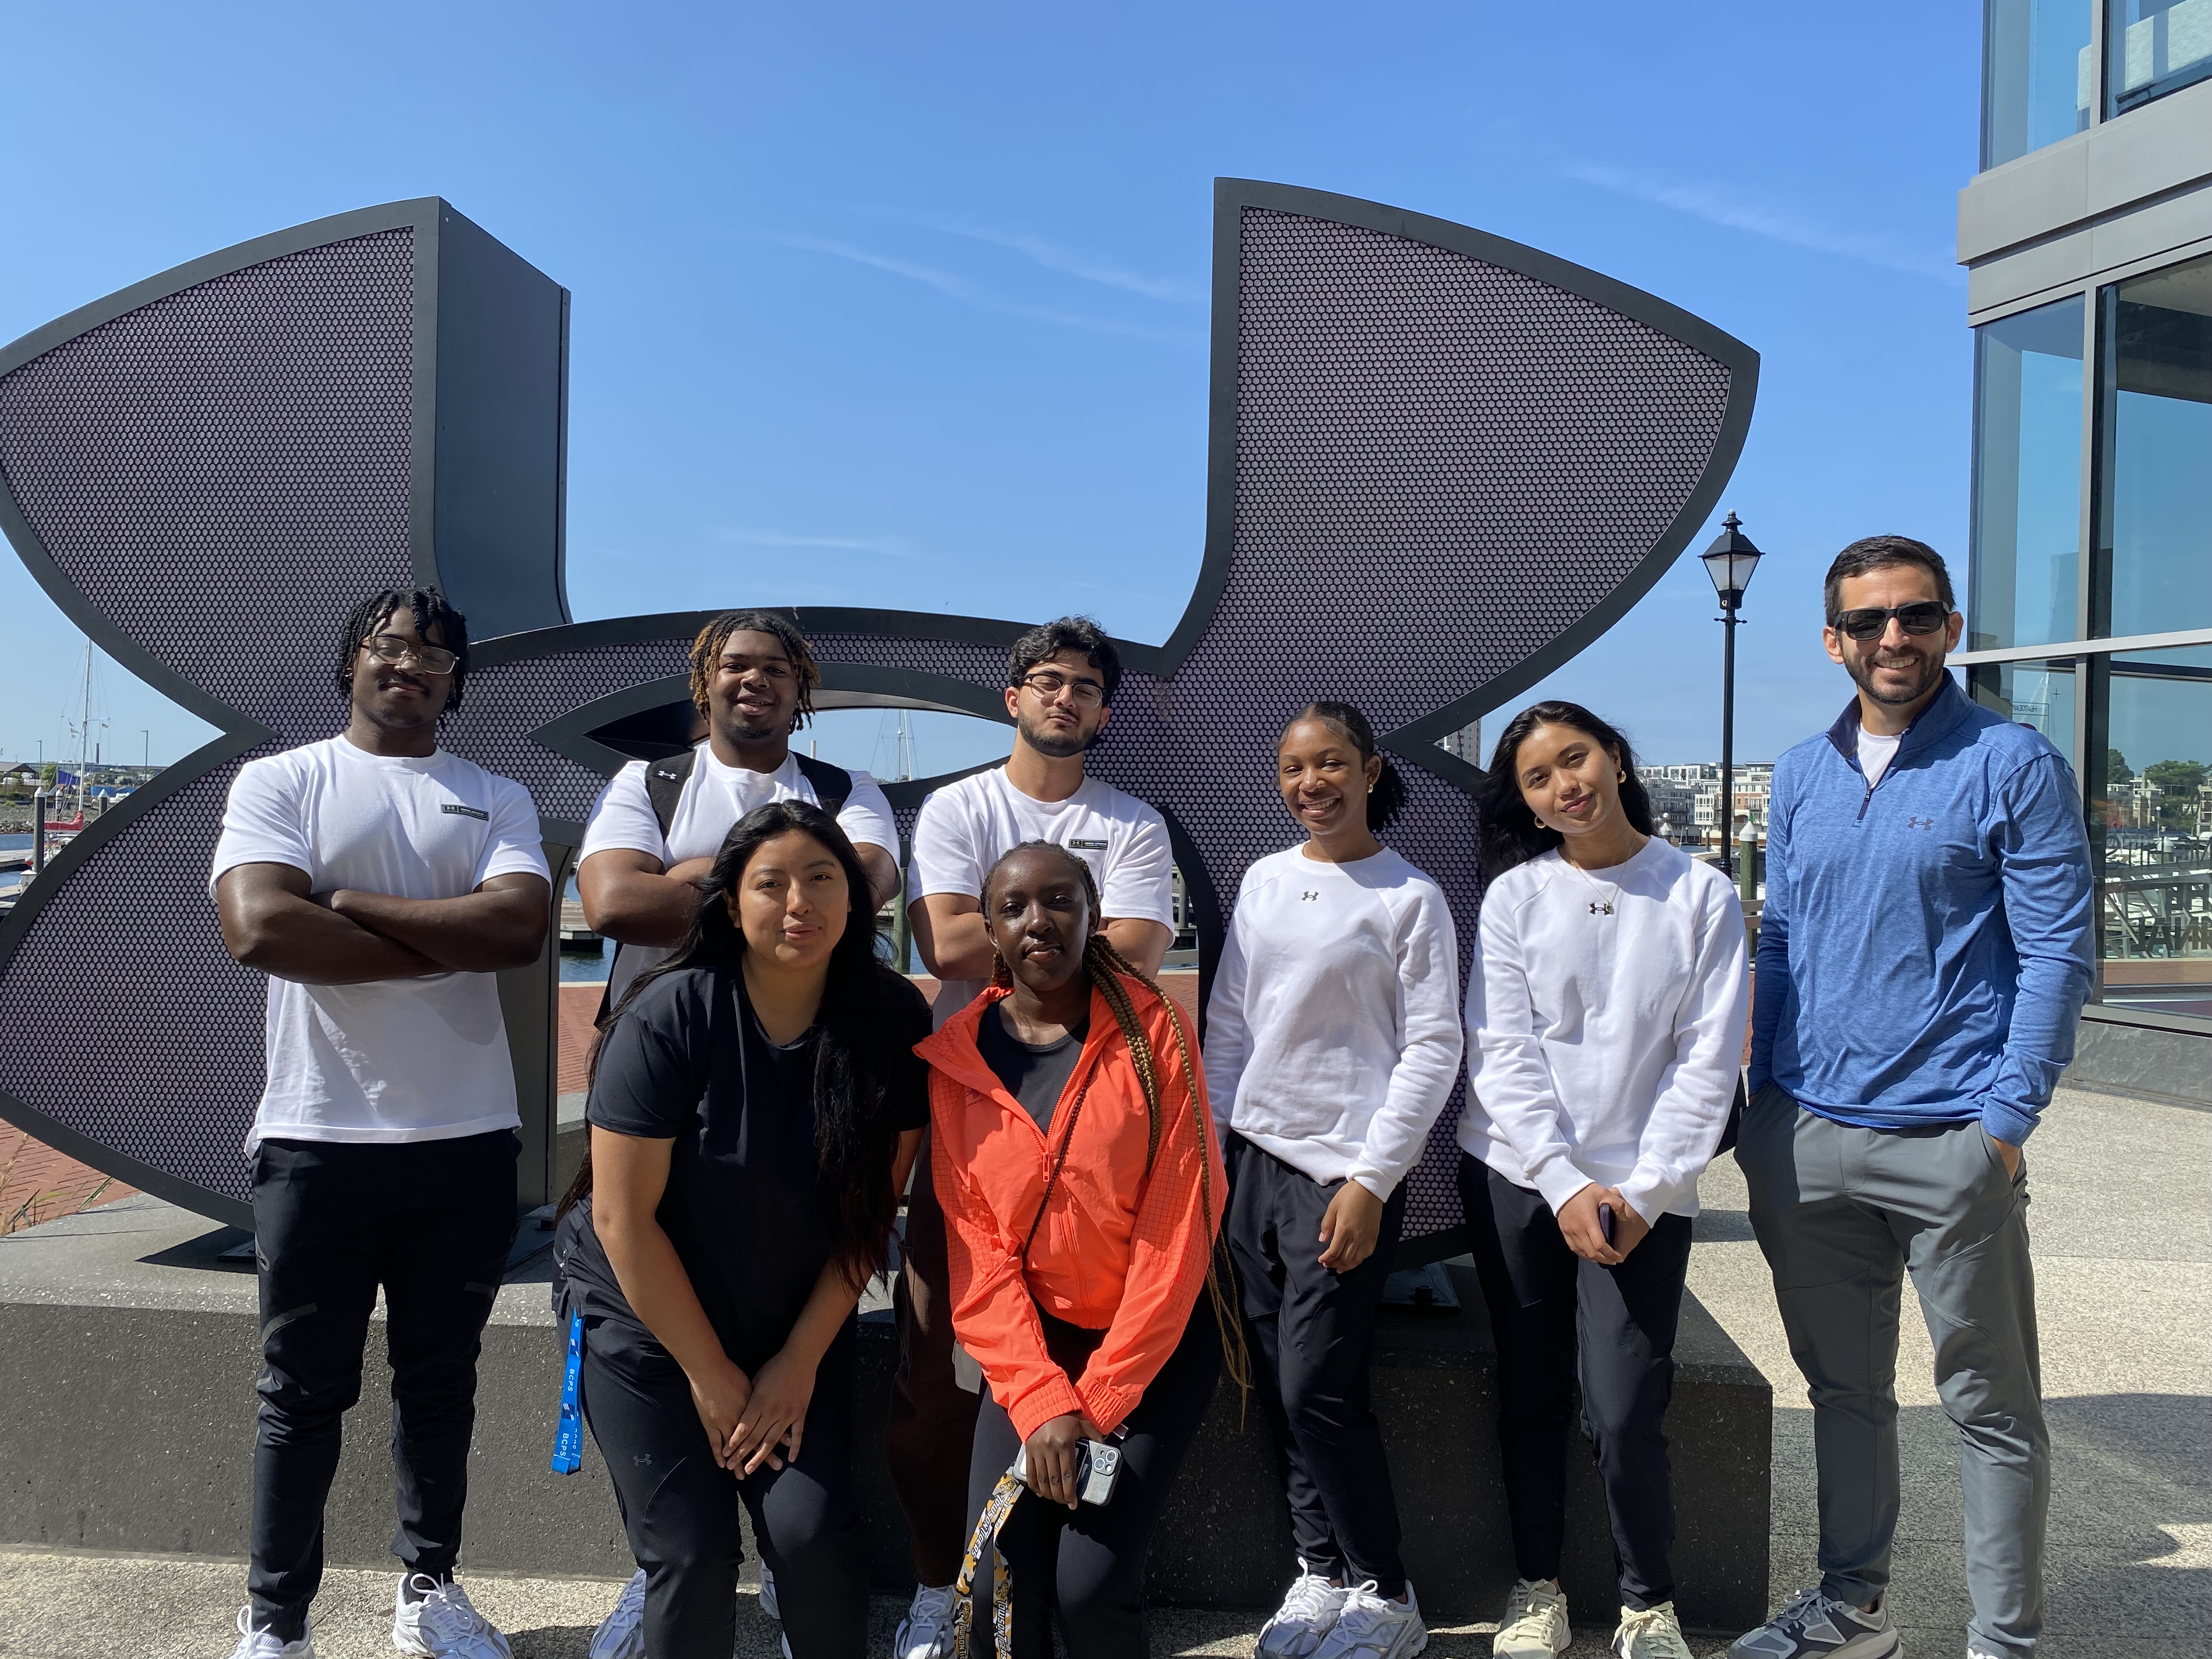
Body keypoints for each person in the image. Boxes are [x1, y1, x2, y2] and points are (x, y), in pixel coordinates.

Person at [1730, 537, 2093, 1659]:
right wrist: (1761, 1105)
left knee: (1989, 1408)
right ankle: (1853, 1608)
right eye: (1873, 621)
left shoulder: (2012, 762)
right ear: (1835, 639)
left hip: (1951, 1139)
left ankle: (2006, 1642)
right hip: (1808, 1131)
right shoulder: (1800, 772)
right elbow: (1781, 936)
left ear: (1952, 627)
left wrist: (2005, 1125)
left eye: (1919, 615)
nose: (1897, 637)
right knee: (1844, 1391)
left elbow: (2058, 949)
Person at [211, 588, 551, 1659]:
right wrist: (444, 943)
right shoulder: (283, 779)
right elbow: (260, 926)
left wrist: (351, 905)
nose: (412, 663)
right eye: (391, 645)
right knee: (299, 1393)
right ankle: (276, 1621)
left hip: (466, 1139)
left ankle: (429, 1591)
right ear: (352, 661)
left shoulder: (494, 795)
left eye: (437, 653)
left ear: (458, 683)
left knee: (441, 1384)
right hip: (317, 1137)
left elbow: (521, 925)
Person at [575, 611, 898, 1650]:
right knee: (694, 1555)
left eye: (820, 879)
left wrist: (792, 1366)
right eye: (767, 882)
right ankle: (668, 1565)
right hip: (652, 1308)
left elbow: (869, 1211)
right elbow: (625, 1222)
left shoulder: (887, 1018)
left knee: (811, 1540)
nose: (798, 903)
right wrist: (717, 1380)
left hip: (790, 1309)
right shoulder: (667, 1014)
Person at [891, 617, 1178, 1657]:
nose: (1065, 698)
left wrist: (1017, 927)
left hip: (1100, 1118)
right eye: (1047, 682)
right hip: (975, 1115)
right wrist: (1072, 926)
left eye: (1086, 688)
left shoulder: (1135, 820)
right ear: (1011, 697)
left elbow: (1140, 951)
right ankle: (936, 1582)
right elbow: (941, 938)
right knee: (934, 1366)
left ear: (1105, 712)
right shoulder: (958, 804)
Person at [1460, 703, 1749, 1659]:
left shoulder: (1699, 892)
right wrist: (1562, 1180)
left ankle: (1647, 1600)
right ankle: (1535, 1586)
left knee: (1624, 1405)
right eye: (1539, 779)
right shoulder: (1515, 897)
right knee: (1532, 1388)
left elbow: (1707, 1062)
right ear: (1529, 806)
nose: (1564, 785)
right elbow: (1500, 1049)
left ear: (1616, 757)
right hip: (1517, 1174)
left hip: (1644, 1190)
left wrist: (1646, 1183)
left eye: (1574, 758)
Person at [915, 840, 1242, 1658]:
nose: (1039, 921)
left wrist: (1093, 1406)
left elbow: (1180, 1226)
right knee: (994, 1587)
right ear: (989, 927)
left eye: (1060, 900)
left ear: (1093, 912)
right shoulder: (958, 1057)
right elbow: (977, 1251)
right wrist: (1042, 1403)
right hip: (1036, 1351)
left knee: (1088, 1592)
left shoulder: (1152, 1029)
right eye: (1015, 907)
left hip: (1151, 1346)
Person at [1203, 701, 1462, 1659]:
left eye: (1329, 763)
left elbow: (1435, 1046)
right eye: (1293, 766)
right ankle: (1318, 1570)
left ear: (1369, 769)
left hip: (1342, 1175)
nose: (1310, 781)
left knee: (1319, 1383)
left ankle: (1387, 1589)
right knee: (1278, 1381)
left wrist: (1372, 1176)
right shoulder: (1265, 879)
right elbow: (1229, 1023)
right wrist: (1221, 1152)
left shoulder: (1407, 895)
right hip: (1255, 1165)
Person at [578, 609, 901, 1011]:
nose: (755, 678)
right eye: (735, 665)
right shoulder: (645, 782)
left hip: (812, 1027)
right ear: (705, 683)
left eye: (776, 669)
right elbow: (613, 905)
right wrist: (794, 892)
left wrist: (692, 874)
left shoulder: (849, 789)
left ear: (798, 687)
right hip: (662, 1028)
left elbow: (862, 892)